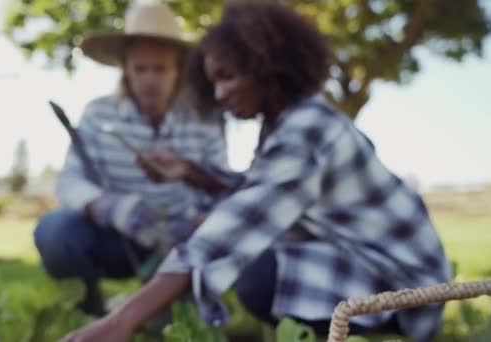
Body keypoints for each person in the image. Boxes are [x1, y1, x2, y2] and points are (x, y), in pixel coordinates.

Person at [61, 1, 451, 341]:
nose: (219, 95)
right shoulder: (285, 122)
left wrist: (124, 319)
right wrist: (191, 172)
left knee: (260, 272)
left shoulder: (308, 129)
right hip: (365, 261)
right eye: (213, 82)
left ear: (267, 65)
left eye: (228, 77)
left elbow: (234, 227)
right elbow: (257, 190)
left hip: (409, 290)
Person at [33, 2, 231, 316]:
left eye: (160, 68)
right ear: (125, 68)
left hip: (182, 244)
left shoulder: (205, 119)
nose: (149, 79)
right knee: (56, 232)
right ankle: (91, 307)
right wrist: (112, 208)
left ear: (178, 68)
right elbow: (70, 182)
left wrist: (196, 224)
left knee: (177, 316)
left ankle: (179, 303)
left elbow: (222, 184)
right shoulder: (99, 114)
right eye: (140, 68)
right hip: (119, 239)